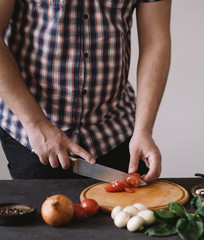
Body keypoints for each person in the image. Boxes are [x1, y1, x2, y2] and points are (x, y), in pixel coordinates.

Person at [0, 0, 171, 182]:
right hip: (33, 129)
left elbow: (156, 41)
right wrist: (35, 124)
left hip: (115, 128)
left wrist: (143, 129)